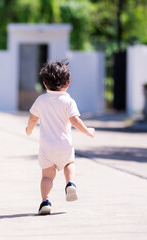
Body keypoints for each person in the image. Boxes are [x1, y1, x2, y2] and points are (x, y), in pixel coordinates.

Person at [25, 59, 95, 215]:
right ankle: (70, 183)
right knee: (69, 163)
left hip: (46, 149)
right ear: (68, 83)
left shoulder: (41, 100)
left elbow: (32, 118)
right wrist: (87, 131)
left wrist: (29, 130)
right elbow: (75, 120)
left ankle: (45, 201)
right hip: (64, 146)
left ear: (44, 84)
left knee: (47, 177)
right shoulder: (68, 101)